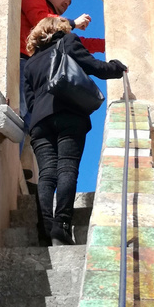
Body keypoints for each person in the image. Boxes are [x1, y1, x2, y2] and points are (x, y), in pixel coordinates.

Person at [22, 15, 127, 246]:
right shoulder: (68, 42)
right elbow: (93, 66)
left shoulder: (30, 63)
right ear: (59, 28)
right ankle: (61, 226)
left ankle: (44, 229)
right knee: (67, 168)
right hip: (68, 114)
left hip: (40, 122)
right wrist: (117, 68)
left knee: (47, 174)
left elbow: (29, 101)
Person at [19, 0, 105, 133]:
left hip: (39, 74)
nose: (67, 3)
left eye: (70, 2)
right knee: (20, 115)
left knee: (32, 123)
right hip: (24, 63)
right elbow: (40, 21)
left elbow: (78, 43)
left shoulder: (59, 25)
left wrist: (106, 44)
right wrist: (72, 23)